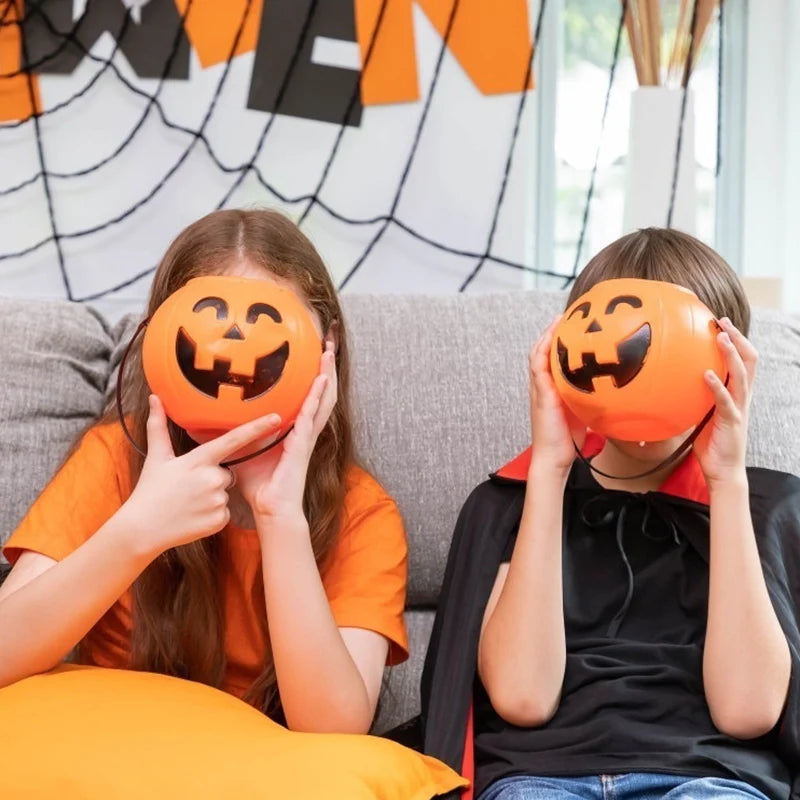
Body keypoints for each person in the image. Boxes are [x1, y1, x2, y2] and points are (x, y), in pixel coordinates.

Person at [420, 228, 800, 799]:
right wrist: (549, 466)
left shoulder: (766, 508)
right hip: (538, 776)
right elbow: (524, 698)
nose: (641, 367)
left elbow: (747, 711)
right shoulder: (510, 503)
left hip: (709, 777)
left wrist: (726, 482)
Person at [0, 209, 408, 735]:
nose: (229, 351)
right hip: (109, 752)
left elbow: (334, 729)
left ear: (327, 348)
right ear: (159, 339)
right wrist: (137, 530)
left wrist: (278, 513)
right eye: (205, 326)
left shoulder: (362, 513)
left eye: (265, 329)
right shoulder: (110, 462)